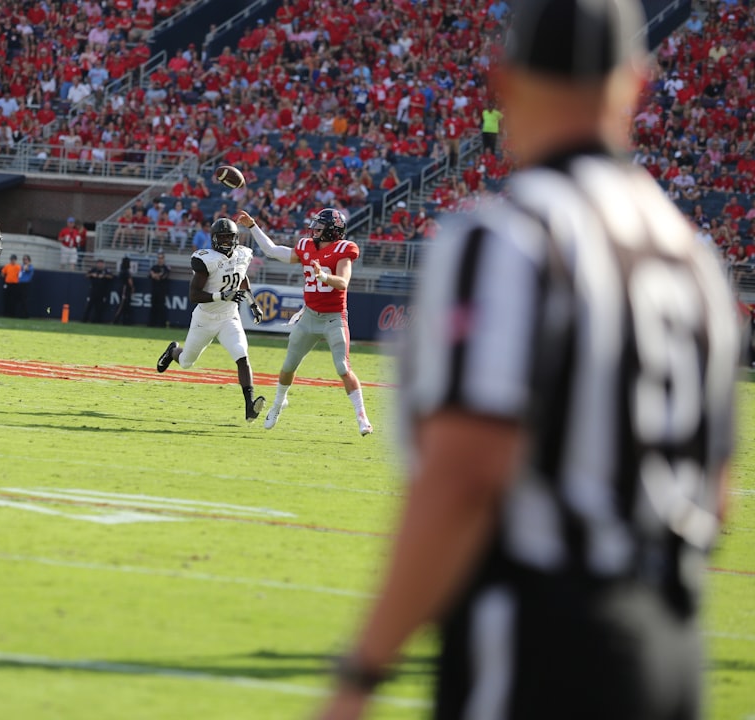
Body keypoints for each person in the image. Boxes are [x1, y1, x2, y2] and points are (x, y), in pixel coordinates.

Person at [316, 2, 738, 719]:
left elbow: (465, 473)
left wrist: (362, 672)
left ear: (505, 83)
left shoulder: (506, 239)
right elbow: (716, 493)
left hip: (543, 640)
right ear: (636, 82)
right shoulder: (694, 261)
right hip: (673, 647)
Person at [236, 208, 373, 436]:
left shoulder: (344, 249)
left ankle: (362, 418)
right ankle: (278, 404)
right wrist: (252, 226)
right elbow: (272, 251)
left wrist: (323, 276)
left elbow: (343, 282)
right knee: (288, 366)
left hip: (333, 318)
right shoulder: (306, 246)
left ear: (333, 230)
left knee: (343, 367)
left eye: (320, 227)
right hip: (309, 317)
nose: (314, 230)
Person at [156, 218, 266, 422]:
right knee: (186, 362)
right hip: (205, 319)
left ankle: (250, 406)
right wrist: (221, 296)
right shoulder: (206, 259)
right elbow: (194, 295)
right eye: (222, 237)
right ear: (214, 239)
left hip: (229, 317)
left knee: (242, 355)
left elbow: (241, 276)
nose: (226, 241)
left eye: (229, 237)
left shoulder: (242, 254)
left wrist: (252, 303)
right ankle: (173, 351)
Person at [82, 258, 114, 323]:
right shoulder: (93, 270)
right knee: (89, 306)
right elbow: (86, 275)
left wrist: (104, 276)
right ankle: (84, 319)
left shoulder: (106, 270)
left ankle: (96, 320)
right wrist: (92, 275)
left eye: (101, 264)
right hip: (93, 291)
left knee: (99, 307)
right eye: (99, 264)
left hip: (102, 291)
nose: (100, 265)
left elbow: (111, 276)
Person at [147, 251, 171, 327]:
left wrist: (155, 275)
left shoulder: (166, 268)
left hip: (162, 291)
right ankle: (151, 324)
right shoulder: (154, 267)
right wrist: (157, 275)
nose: (160, 259)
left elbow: (163, 277)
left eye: (161, 258)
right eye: (159, 258)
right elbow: (150, 276)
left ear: (163, 259)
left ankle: (161, 324)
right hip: (154, 291)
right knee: (153, 307)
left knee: (161, 307)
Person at [111, 256, 135, 325]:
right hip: (125, 289)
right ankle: (115, 320)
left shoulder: (122, 271)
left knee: (126, 306)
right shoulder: (126, 272)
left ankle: (126, 321)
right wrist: (132, 287)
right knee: (121, 305)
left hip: (122, 289)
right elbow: (130, 281)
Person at [18, 254, 34, 319]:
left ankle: (25, 314)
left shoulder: (30, 267)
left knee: (24, 300)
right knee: (20, 299)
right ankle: (20, 314)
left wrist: (27, 264)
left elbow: (26, 269)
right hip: (20, 284)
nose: (24, 261)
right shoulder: (22, 266)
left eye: (26, 259)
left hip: (26, 284)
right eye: (23, 259)